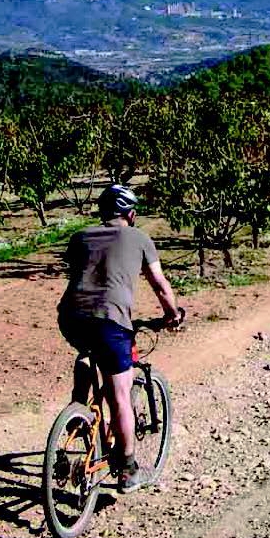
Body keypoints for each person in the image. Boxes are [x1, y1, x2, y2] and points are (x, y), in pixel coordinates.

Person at [57, 183, 181, 493]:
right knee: (120, 396)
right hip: (110, 321)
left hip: (71, 317)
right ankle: (127, 470)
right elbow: (159, 285)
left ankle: (77, 407)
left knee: (87, 350)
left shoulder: (80, 237)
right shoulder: (139, 238)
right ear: (131, 213)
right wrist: (173, 313)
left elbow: (82, 273)